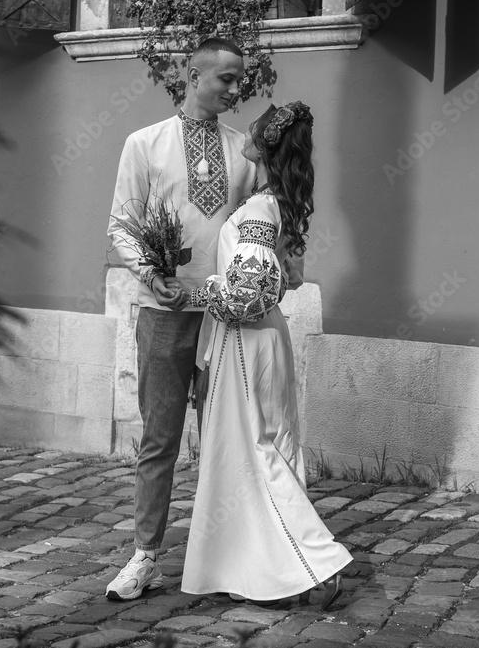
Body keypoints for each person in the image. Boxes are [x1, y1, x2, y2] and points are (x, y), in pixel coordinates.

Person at [180, 102, 352, 609]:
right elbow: (289, 278)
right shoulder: (275, 203)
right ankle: (251, 564)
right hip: (262, 339)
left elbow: (246, 296)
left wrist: (193, 290)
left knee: (255, 449)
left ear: (263, 145)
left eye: (253, 129)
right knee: (257, 448)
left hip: (246, 338)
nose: (246, 133)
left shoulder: (256, 210)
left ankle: (315, 560)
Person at [104, 37, 257, 601]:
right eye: (227, 79)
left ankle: (232, 557)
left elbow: (257, 229)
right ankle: (145, 556)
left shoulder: (247, 152)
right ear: (192, 76)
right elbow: (122, 223)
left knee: (228, 440)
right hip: (163, 314)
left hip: (225, 319)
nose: (237, 89)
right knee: (160, 439)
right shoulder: (144, 145)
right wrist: (151, 273)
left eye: (240, 79)